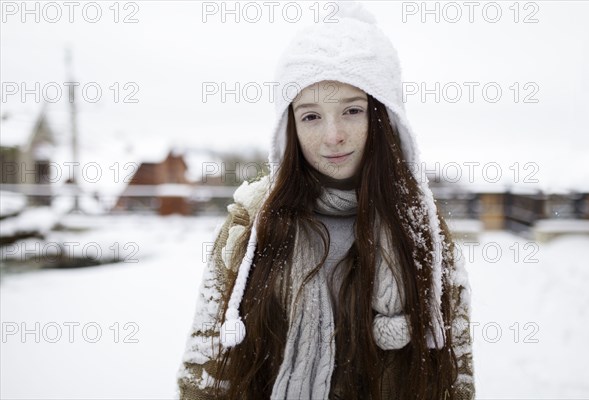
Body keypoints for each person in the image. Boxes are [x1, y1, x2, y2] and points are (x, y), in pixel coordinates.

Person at [177, 2, 475, 399]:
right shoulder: (250, 228)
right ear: (290, 127)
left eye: (352, 110)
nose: (333, 135)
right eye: (311, 116)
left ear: (383, 118)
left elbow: (454, 382)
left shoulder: (422, 232)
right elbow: (205, 377)